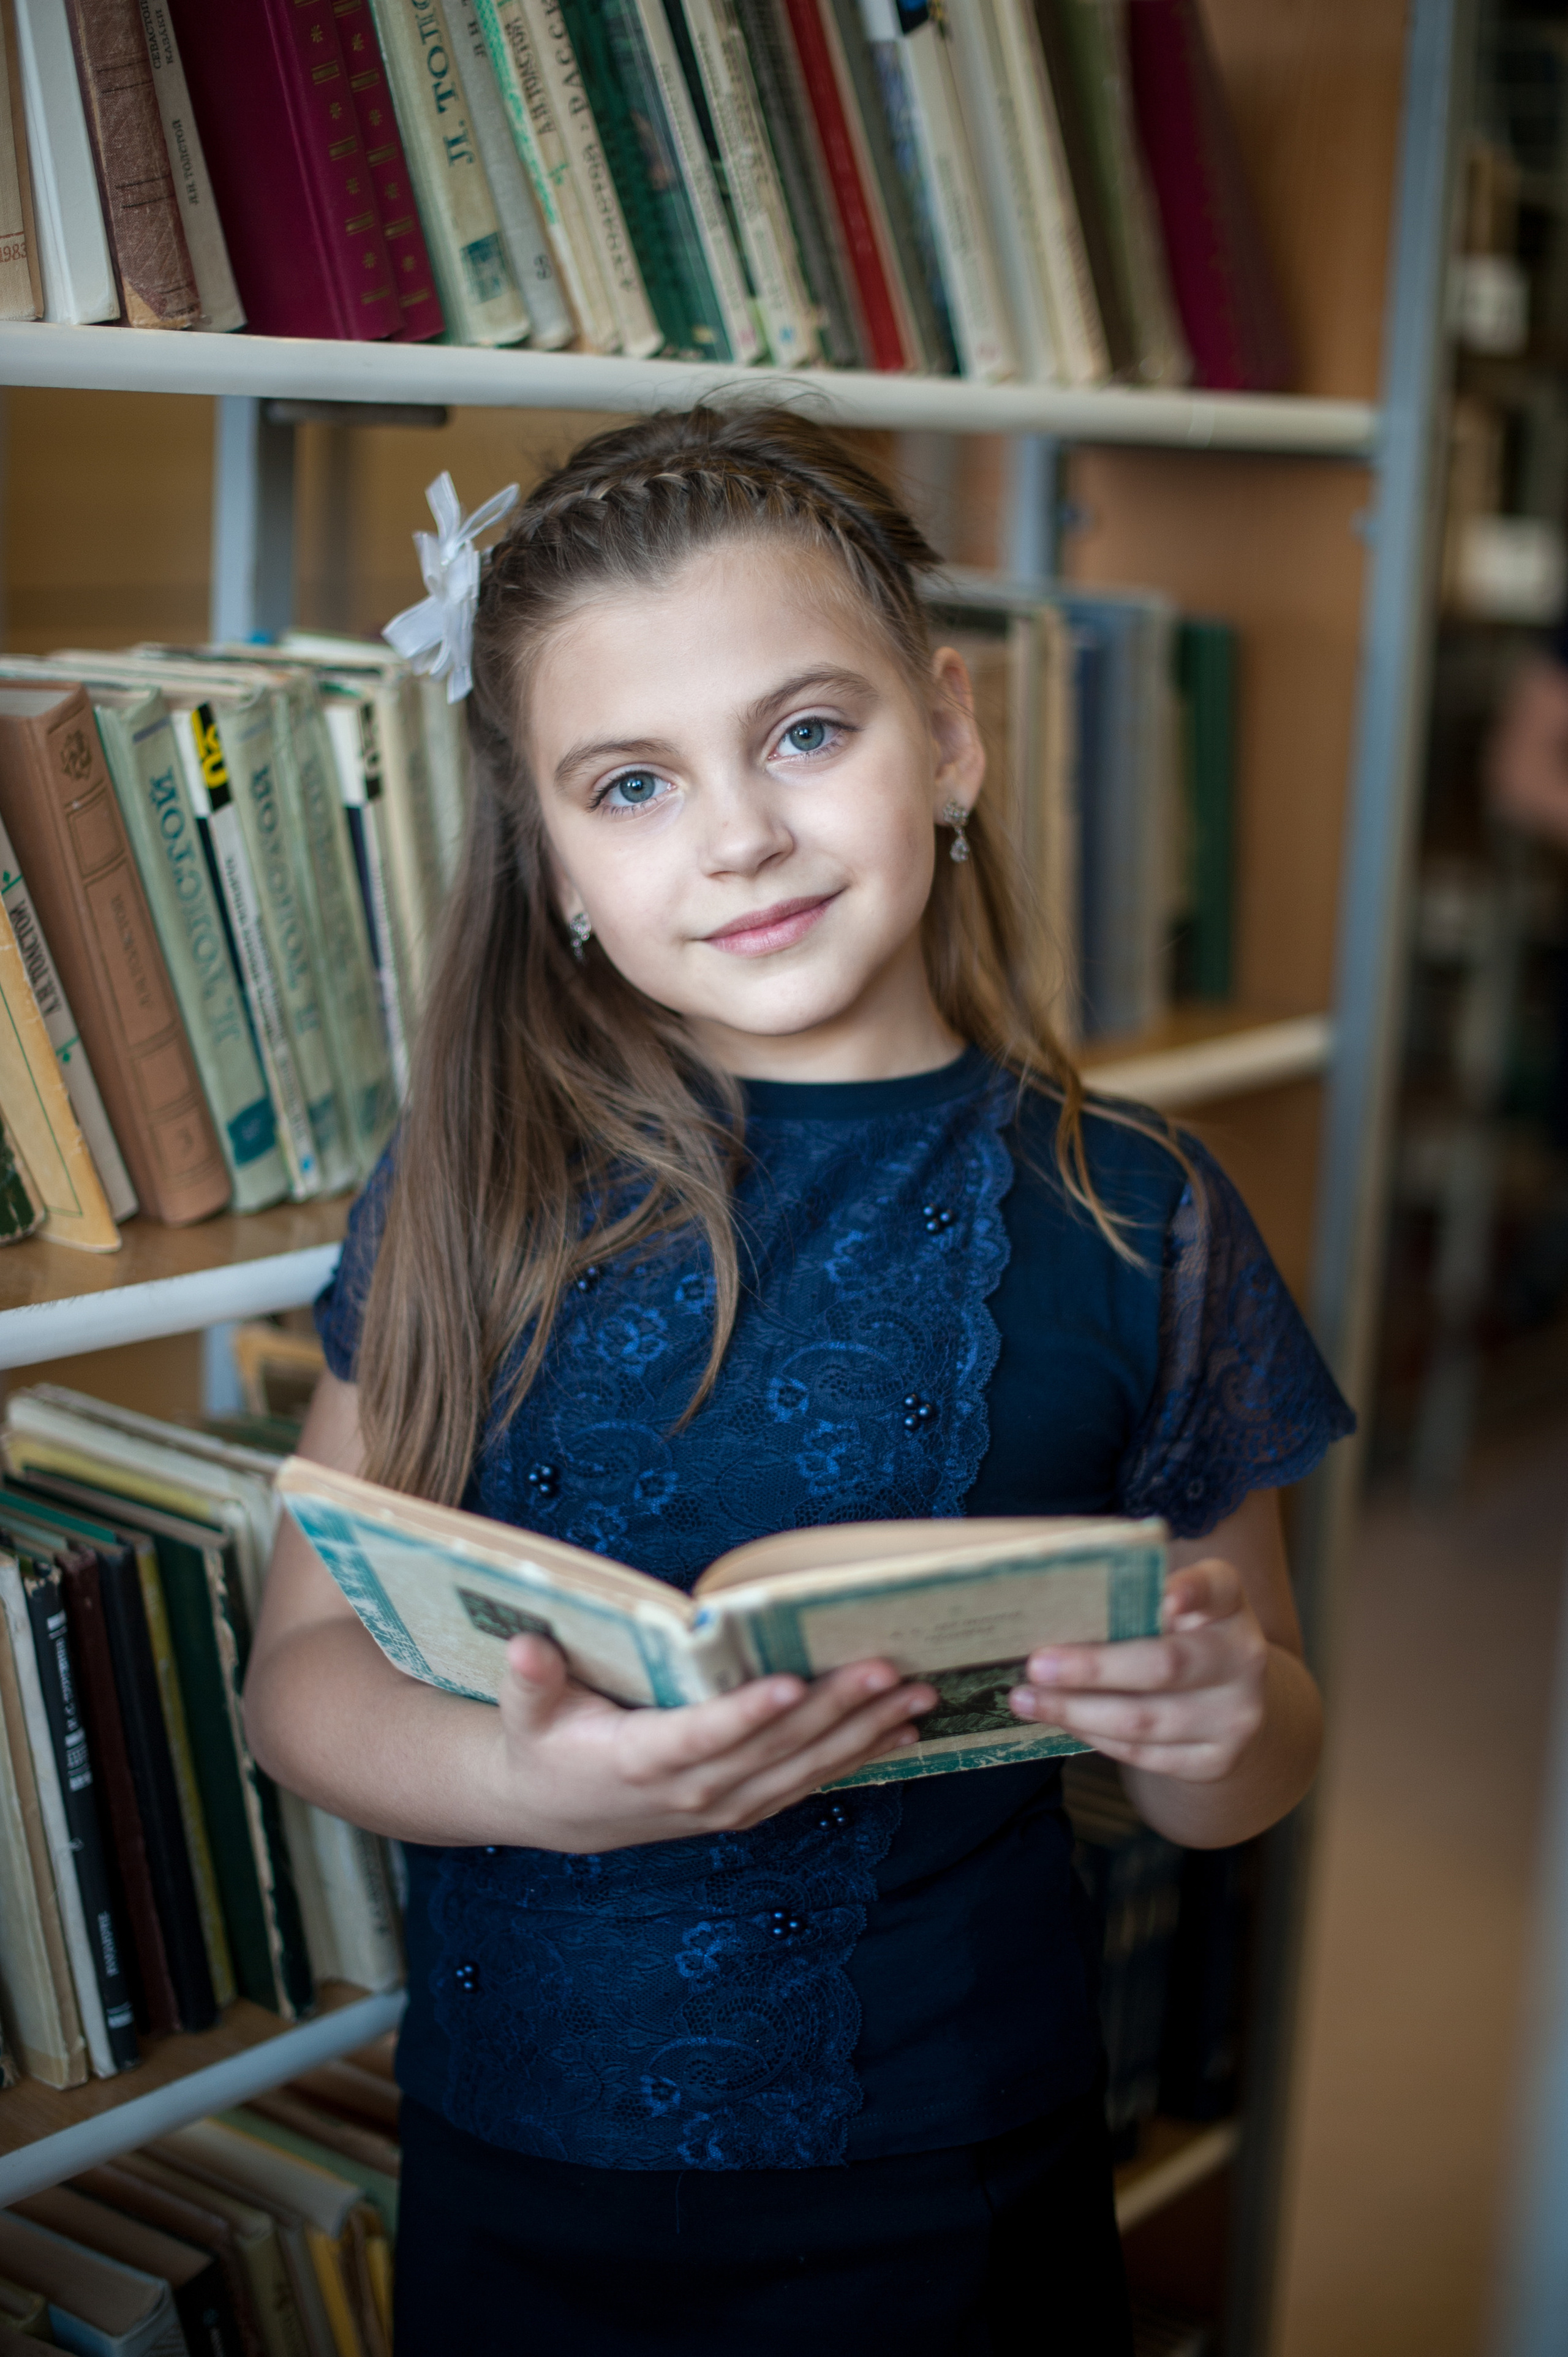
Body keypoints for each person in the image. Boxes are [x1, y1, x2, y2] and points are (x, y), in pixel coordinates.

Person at [243, 404, 1352, 2355]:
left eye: (805, 735)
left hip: (957, 2193)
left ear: (952, 734)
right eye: (633, 785)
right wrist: (529, 1783)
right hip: (521, 2182)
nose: (742, 834)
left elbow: (1255, 1766)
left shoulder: (1141, 1216)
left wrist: (1211, 1718)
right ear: (557, 861)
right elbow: (301, 1675)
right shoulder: (473, 1189)